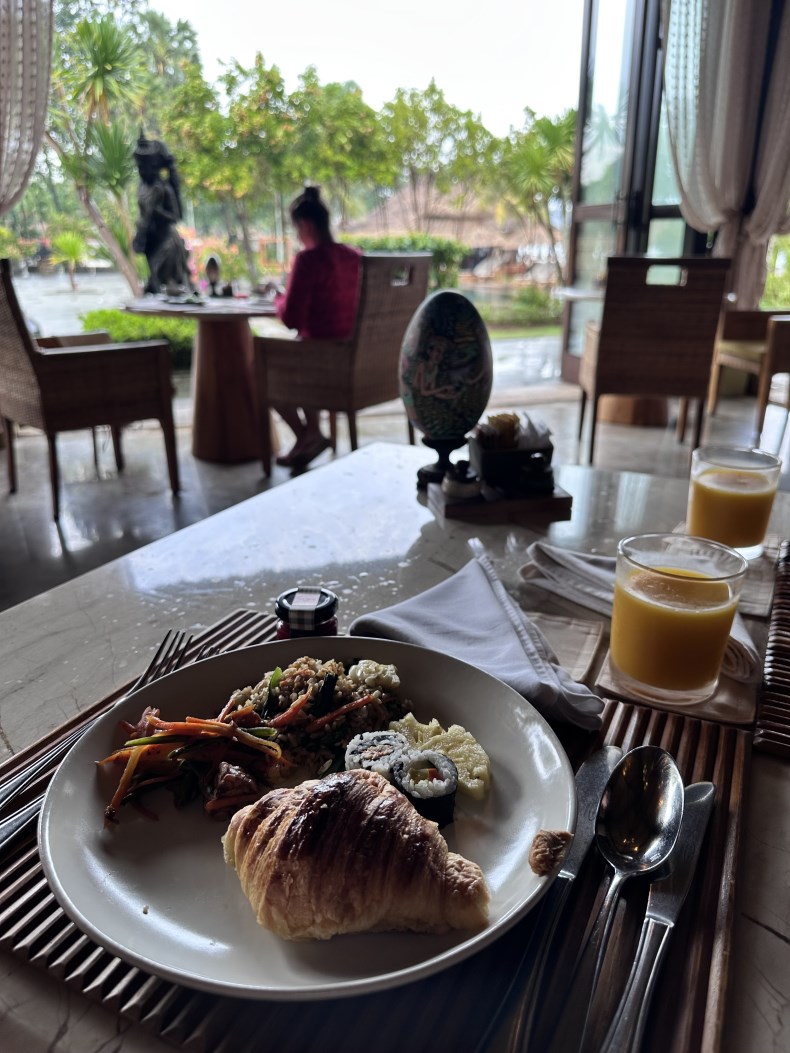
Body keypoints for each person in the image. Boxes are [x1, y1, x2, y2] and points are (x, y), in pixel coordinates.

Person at [270, 185, 361, 469]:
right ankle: (309, 437)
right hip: (353, 361)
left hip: (319, 362)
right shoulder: (355, 257)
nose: (297, 235)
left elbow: (291, 319)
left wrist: (278, 298)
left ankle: (307, 435)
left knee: (261, 370)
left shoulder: (308, 260)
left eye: (296, 229)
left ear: (306, 225)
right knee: (304, 350)